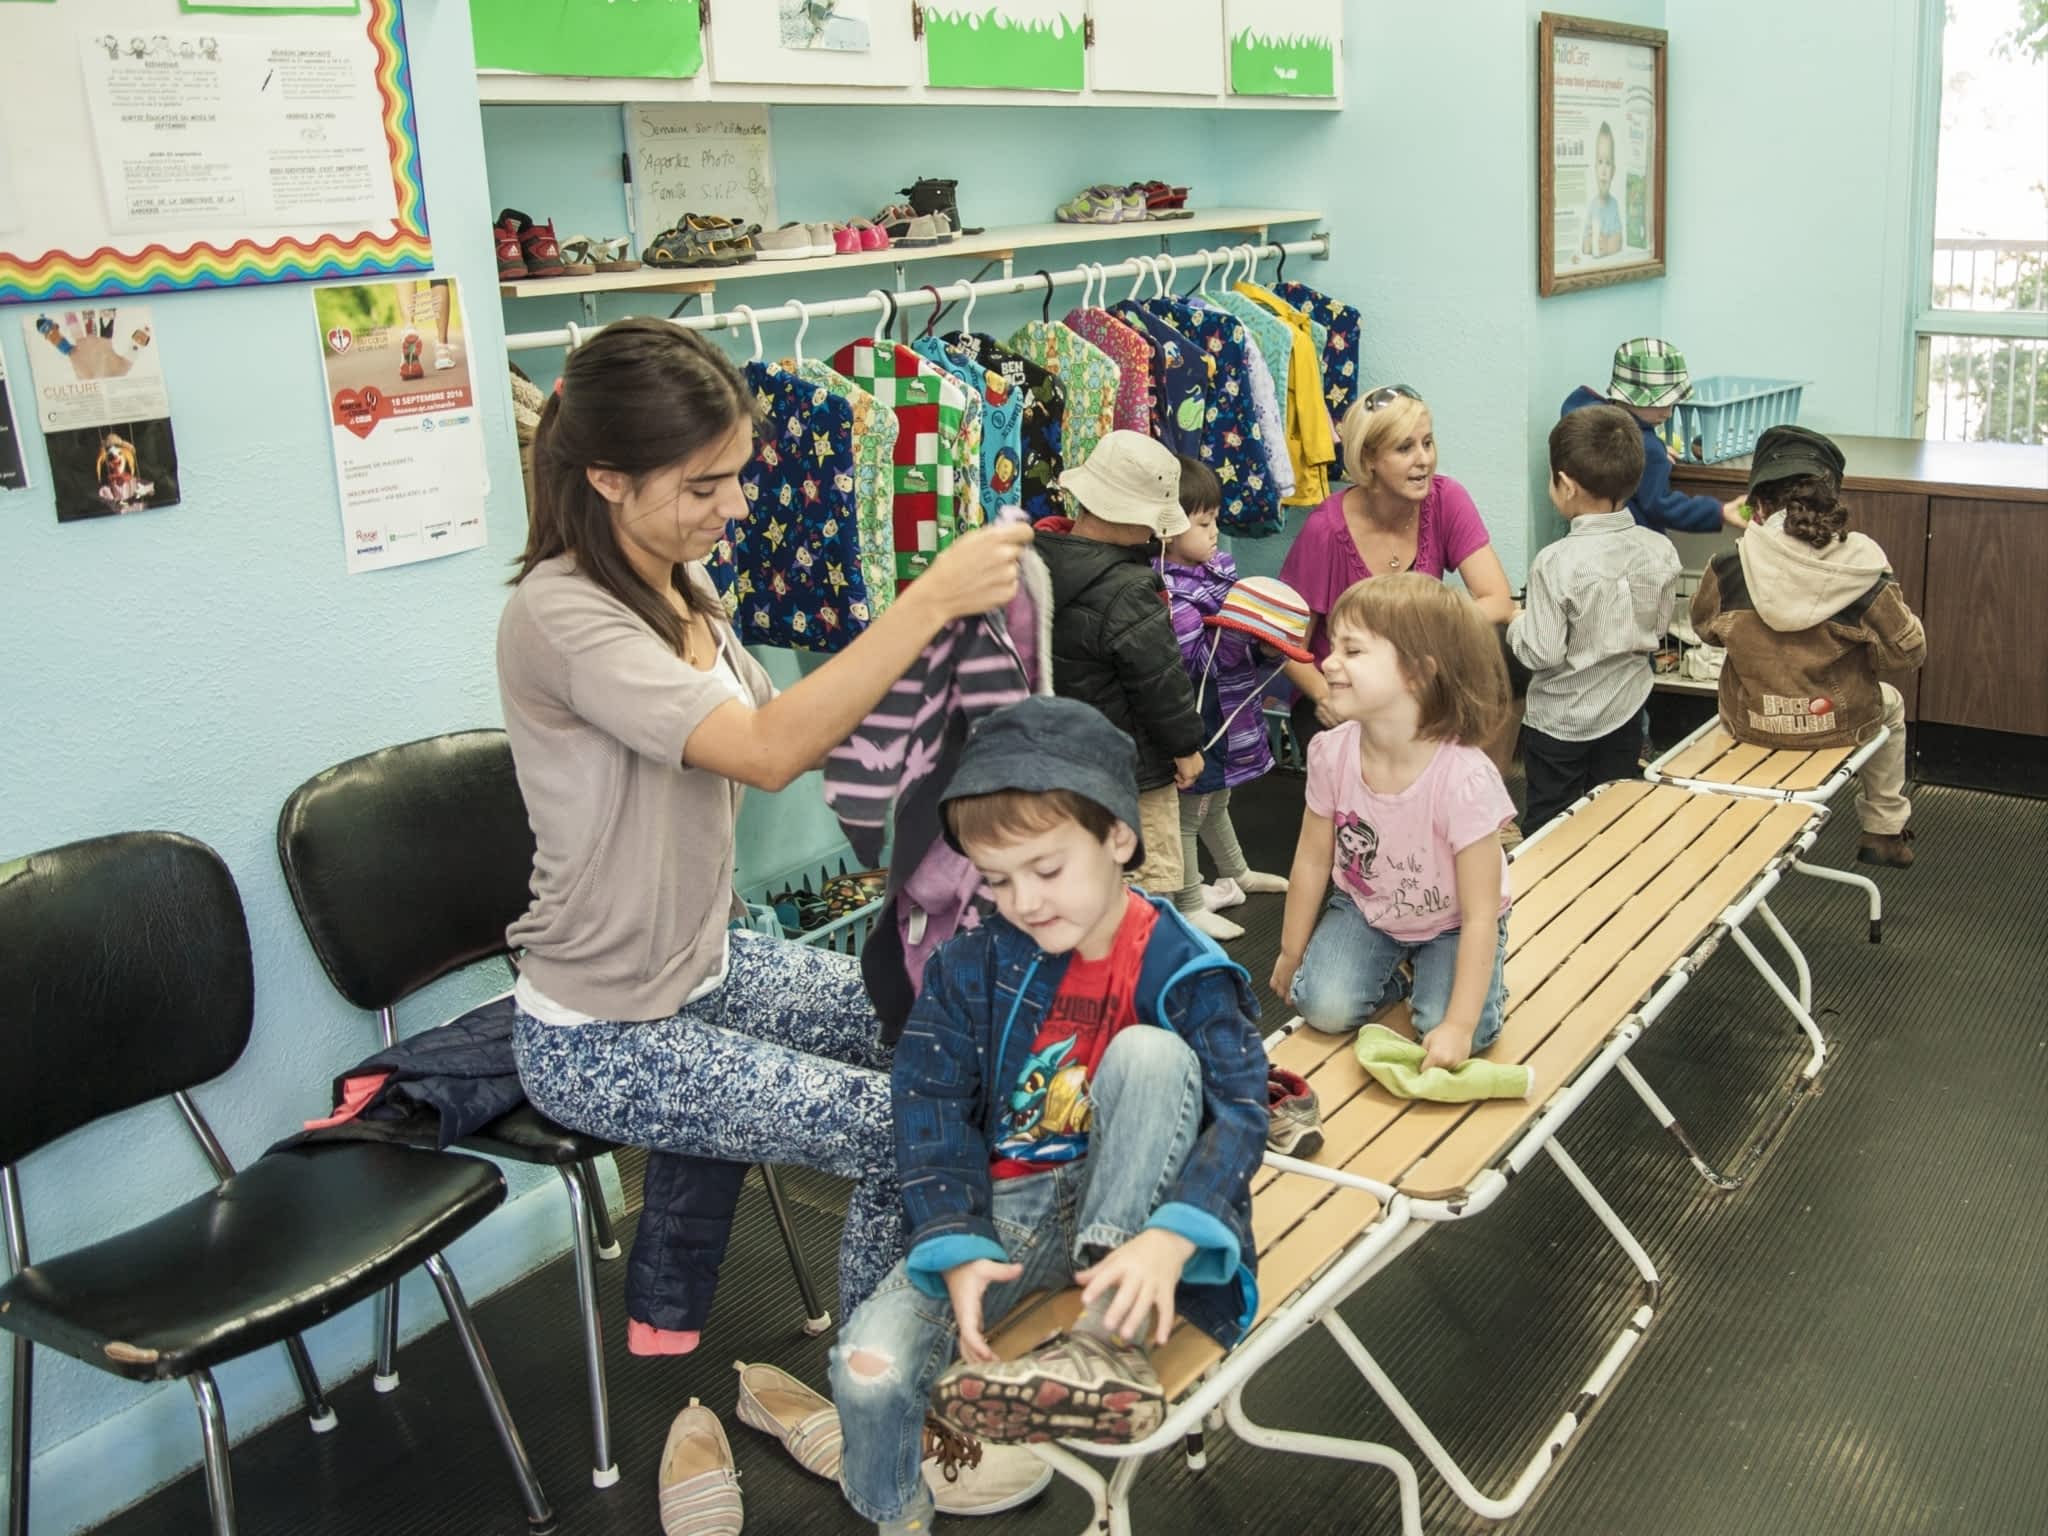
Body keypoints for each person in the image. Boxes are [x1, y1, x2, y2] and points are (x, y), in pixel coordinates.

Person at [497, 317, 1047, 1514]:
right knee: (904, 1132)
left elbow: (810, 730)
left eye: (738, 473)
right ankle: (884, 1433)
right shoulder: (560, 614)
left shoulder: (672, 582)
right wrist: (923, 599)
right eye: (705, 484)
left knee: (937, 1054)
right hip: (599, 1029)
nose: (734, 506)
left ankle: (894, 1385)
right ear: (604, 480)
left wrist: (962, 681)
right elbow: (764, 749)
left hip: (701, 965)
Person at [828, 695, 1266, 1536]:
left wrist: (1171, 1235)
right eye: (995, 880)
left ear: (1118, 838)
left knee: (1152, 1054)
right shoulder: (968, 965)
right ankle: (898, 1514)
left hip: (1136, 1231)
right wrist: (955, 1244)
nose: (1021, 899)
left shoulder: (1184, 966)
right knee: (865, 1369)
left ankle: (1103, 1344)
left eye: (1046, 868)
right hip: (1009, 1226)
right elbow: (926, 1101)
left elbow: (1244, 1108)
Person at [1271, 574, 1516, 1071]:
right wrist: (1290, 951)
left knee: (1459, 1032)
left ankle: (1460, 984)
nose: (1328, 662)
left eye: (1353, 651)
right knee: (1323, 1006)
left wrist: (1460, 1025)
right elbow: (1313, 859)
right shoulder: (1330, 753)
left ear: (1417, 674)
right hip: (1368, 907)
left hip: (1453, 922)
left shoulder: (1463, 780)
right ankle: (1403, 973)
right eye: (1332, 645)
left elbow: (1478, 914)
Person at [1690, 426, 1927, 867]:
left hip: (1752, 722)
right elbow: (1909, 653)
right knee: (1890, 707)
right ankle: (1883, 828)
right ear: (1830, 503)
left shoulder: (1729, 565)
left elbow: (1704, 628)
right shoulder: (1861, 566)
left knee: (1731, 701)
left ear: (1757, 506)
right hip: (1838, 724)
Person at [1277, 384, 1517, 765]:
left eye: (1428, 443)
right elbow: (1287, 645)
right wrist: (1327, 697)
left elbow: (1498, 601)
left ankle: (1483, 809)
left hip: (1416, 683)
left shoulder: (1447, 498)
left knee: (1503, 652)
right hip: (1343, 689)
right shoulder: (1326, 529)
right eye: (1405, 448)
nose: (1424, 460)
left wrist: (1423, 630)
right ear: (1369, 458)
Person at [1032, 430, 1207, 897]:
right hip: (1130, 774)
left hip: (1053, 766)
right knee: (1143, 897)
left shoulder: (1033, 560)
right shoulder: (1131, 590)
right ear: (1138, 520)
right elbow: (1160, 683)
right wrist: (1186, 748)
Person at [1508, 404, 1681, 831]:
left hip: (1560, 724)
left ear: (1565, 484)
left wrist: (1515, 621)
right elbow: (1658, 630)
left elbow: (1542, 653)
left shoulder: (1555, 562)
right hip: (1624, 710)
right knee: (1608, 816)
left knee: (1549, 823)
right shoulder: (1660, 550)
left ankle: (1545, 891)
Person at [1160, 457, 1292, 942]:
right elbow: (1194, 660)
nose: (1215, 532)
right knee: (1191, 809)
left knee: (1219, 798)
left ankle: (1235, 872)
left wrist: (1261, 641)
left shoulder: (1212, 574)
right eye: (1203, 523)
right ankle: (1190, 901)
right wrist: (1244, 635)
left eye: (1214, 520)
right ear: (1168, 530)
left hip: (1228, 707)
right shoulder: (1173, 592)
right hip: (1202, 715)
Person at [1561, 338, 1749, 535]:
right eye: (1661, 404)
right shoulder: (1648, 449)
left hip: (1585, 535)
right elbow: (1661, 506)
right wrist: (1719, 512)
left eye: (1672, 404)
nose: (1667, 413)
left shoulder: (1586, 421)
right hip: (1632, 547)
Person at [1580, 120, 1624, 258]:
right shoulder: (1592, 205)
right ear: (1594, 169)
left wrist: (1607, 245)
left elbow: (1619, 240)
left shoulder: (1614, 205)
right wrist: (1588, 244)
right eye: (1600, 162)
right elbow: (1585, 245)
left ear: (1613, 171)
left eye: (1608, 163)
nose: (1604, 170)